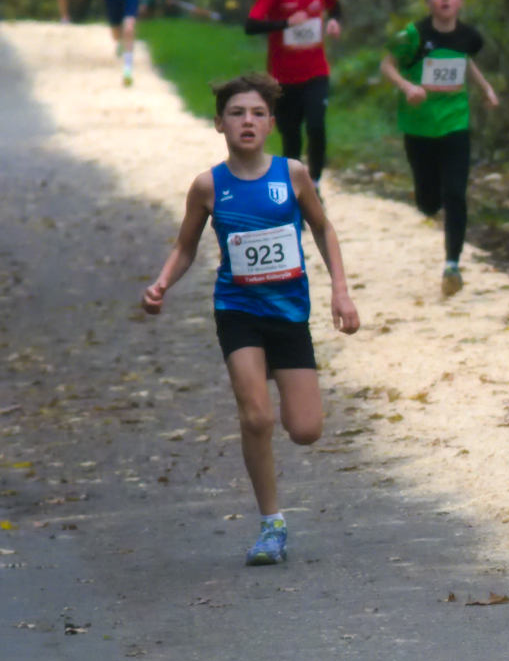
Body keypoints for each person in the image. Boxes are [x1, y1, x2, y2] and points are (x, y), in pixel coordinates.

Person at [140, 73, 360, 566]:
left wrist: (340, 292)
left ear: (272, 124)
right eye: (237, 113)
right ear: (218, 124)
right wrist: (161, 283)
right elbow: (186, 246)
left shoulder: (293, 175)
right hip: (238, 311)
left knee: (305, 430)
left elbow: (324, 231)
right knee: (256, 416)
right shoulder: (207, 186)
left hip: (289, 315)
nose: (247, 121)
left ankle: (285, 407)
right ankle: (271, 524)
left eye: (257, 114)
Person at [378, 0, 499, 297]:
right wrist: (407, 87)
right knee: (428, 202)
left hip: (455, 123)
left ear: (459, 0)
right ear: (429, 0)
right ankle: (427, 203)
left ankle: (452, 265)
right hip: (419, 127)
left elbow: (465, 62)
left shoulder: (469, 36)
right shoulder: (412, 35)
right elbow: (386, 64)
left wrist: (486, 89)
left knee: (456, 194)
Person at [246, 0, 341, 184]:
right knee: (291, 138)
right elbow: (251, 25)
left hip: (316, 72)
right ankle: (294, 188)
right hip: (283, 77)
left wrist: (334, 21)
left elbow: (335, 7)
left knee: (317, 126)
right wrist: (286, 23)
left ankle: (316, 183)